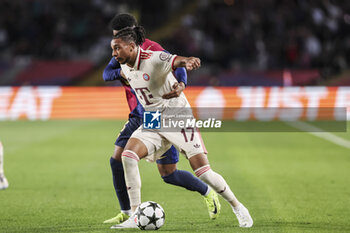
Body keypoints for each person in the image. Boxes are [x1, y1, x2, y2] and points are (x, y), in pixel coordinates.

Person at [109, 26, 253, 229]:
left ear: (132, 47)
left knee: (203, 171)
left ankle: (238, 207)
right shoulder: (124, 65)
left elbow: (177, 60)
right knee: (128, 156)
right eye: (113, 49)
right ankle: (135, 215)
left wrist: (188, 62)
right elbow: (111, 73)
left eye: (117, 48)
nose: (114, 54)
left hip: (177, 117)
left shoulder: (154, 58)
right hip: (153, 119)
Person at [102, 14, 220, 225]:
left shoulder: (152, 49)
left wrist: (181, 85)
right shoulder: (122, 52)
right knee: (117, 159)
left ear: (132, 33)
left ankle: (207, 191)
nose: (116, 43)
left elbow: (178, 64)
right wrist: (121, 74)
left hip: (159, 115)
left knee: (168, 174)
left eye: (120, 37)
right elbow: (106, 73)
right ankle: (128, 212)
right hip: (137, 115)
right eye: (114, 38)